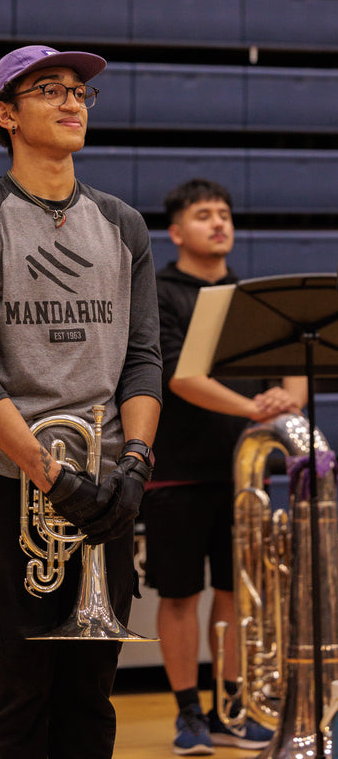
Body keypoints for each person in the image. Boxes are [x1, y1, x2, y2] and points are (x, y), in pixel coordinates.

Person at [0, 44, 163, 759]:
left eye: (78, 92)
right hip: (11, 486)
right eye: (48, 90)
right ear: (6, 114)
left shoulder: (122, 224)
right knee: (18, 696)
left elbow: (143, 358)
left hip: (105, 483)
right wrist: (50, 476)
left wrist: (134, 462)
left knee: (91, 695)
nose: (72, 102)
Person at [141, 178, 307, 756]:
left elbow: (294, 368)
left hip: (244, 476)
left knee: (240, 595)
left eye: (225, 214)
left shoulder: (251, 294)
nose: (219, 223)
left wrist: (288, 396)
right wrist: (254, 408)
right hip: (179, 471)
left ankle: (230, 706)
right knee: (181, 595)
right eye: (204, 214)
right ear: (177, 231)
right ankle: (188, 711)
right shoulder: (159, 292)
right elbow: (180, 378)